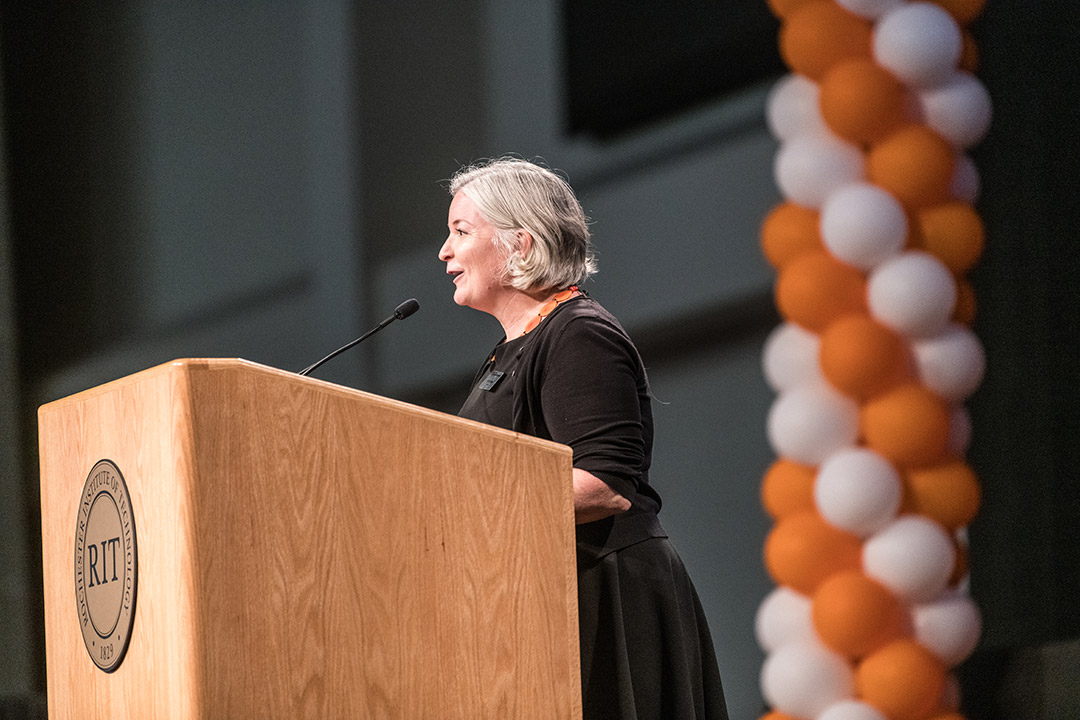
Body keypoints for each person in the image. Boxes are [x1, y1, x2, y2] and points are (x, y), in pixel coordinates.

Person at [437, 156, 729, 720]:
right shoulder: (511, 348)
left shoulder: (578, 333)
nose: (444, 252)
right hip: (547, 595)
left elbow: (603, 484)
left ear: (520, 243)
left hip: (606, 602)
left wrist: (463, 514)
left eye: (460, 231)